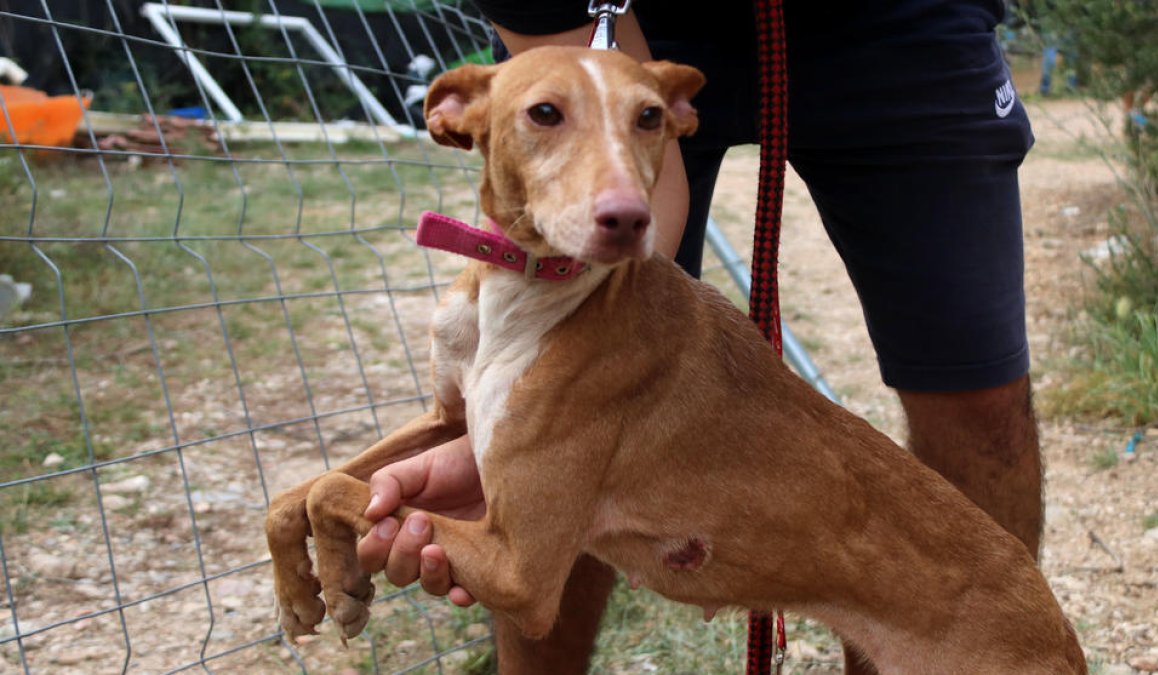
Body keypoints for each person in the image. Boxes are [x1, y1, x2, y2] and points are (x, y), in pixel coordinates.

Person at [357, 3, 1042, 674]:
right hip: (635, 13)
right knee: (582, 392)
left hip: (893, 22)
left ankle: (971, 634)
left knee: (978, 390)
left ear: (672, 115)